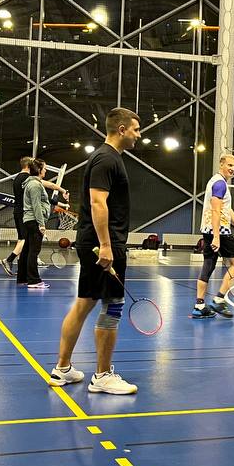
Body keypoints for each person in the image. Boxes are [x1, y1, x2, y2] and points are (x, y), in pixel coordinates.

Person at [49, 107, 141, 395]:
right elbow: (98, 202)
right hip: (103, 244)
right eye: (136, 129)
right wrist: (107, 245)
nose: (138, 135)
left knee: (83, 304)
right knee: (113, 305)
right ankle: (102, 376)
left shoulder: (107, 157)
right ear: (122, 129)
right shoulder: (106, 159)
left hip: (96, 242)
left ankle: (62, 369)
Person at [194, 153, 234, 319]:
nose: (233, 169)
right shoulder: (220, 184)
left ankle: (199, 306)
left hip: (208, 230)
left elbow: (227, 210)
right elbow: (216, 211)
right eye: (230, 165)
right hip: (219, 231)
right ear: (221, 164)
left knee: (208, 264)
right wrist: (216, 237)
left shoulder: (215, 181)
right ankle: (219, 300)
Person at [2, 156, 67, 276]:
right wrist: (62, 190)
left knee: (22, 240)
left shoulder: (19, 178)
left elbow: (42, 196)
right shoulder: (28, 179)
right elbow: (46, 189)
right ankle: (9, 260)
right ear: (29, 166)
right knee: (26, 241)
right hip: (25, 213)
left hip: (19, 212)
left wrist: (60, 203)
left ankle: (22, 270)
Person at [17, 158, 50, 289]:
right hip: (34, 221)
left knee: (26, 250)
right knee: (34, 251)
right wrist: (41, 224)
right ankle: (34, 280)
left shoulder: (31, 183)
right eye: (45, 168)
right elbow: (36, 205)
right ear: (39, 170)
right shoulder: (35, 185)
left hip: (30, 220)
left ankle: (22, 278)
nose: (46, 171)